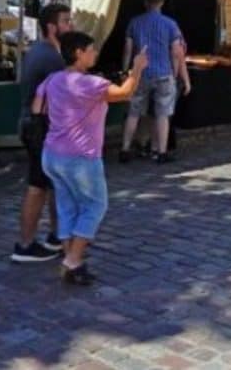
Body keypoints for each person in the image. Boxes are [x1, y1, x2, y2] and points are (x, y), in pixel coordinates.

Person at [34, 32, 148, 285]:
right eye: (91, 49)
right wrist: (137, 68)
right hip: (80, 157)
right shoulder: (89, 83)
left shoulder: (53, 79)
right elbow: (125, 93)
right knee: (95, 205)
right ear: (78, 53)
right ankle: (73, 259)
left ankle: (70, 259)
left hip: (52, 154)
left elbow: (37, 107)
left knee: (67, 207)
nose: (95, 53)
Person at [11, 4, 74, 263]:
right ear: (52, 27)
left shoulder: (43, 50)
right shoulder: (50, 57)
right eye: (66, 21)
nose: (70, 26)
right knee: (38, 186)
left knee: (55, 183)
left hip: (40, 125)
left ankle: (57, 235)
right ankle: (25, 245)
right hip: (38, 127)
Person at [119, 0, 189, 164]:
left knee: (133, 113)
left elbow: (128, 49)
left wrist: (125, 69)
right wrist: (174, 74)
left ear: (146, 2)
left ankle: (125, 149)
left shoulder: (134, 22)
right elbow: (175, 52)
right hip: (164, 73)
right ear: (161, 3)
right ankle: (161, 152)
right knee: (162, 114)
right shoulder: (171, 24)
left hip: (140, 73)